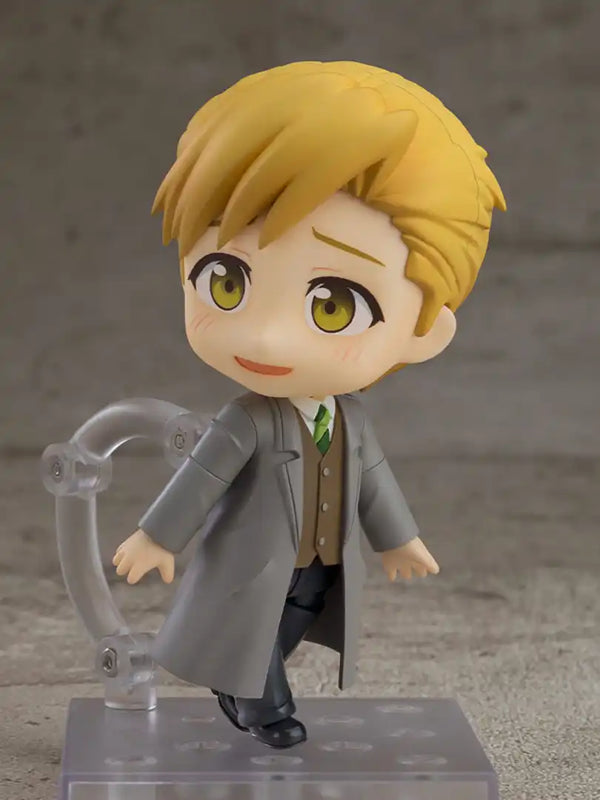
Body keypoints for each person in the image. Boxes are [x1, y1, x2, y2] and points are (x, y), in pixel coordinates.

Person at [113, 60, 505, 748]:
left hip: (319, 566)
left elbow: (374, 481)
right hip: (248, 567)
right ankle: (263, 706)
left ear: (424, 333)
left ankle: (242, 680)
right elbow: (202, 477)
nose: (266, 335)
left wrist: (399, 538)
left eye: (333, 306)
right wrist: (157, 535)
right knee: (252, 632)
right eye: (226, 282)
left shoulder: (350, 418)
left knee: (288, 622)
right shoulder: (248, 419)